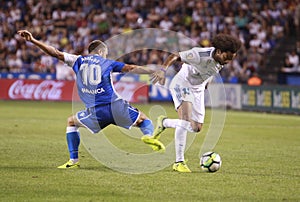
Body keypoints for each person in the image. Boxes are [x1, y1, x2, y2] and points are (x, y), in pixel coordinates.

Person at [17, 30, 165, 169]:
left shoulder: (78, 61)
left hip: (96, 112)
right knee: (144, 120)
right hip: (115, 106)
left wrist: (33, 40)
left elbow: (55, 53)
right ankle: (148, 136)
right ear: (100, 51)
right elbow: (131, 68)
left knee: (71, 122)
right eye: (105, 54)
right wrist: (154, 70)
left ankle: (73, 160)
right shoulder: (108, 63)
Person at [151, 33, 242, 172]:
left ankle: (164, 122)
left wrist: (207, 82)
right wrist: (163, 70)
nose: (228, 61)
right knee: (185, 120)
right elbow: (174, 56)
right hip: (182, 83)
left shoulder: (222, 59)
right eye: (227, 58)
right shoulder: (200, 54)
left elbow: (211, 70)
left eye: (231, 59)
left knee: (196, 128)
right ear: (218, 51)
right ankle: (179, 162)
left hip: (198, 89)